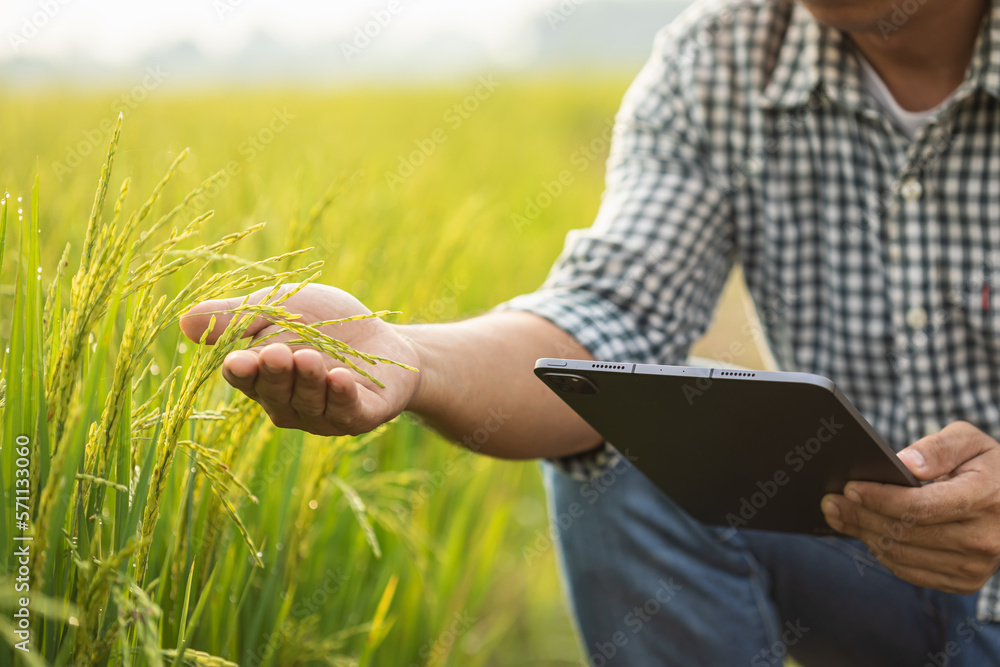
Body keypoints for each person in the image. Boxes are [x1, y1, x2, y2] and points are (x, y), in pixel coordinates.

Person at [180, 0, 1000, 663]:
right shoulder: (720, 61)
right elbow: (607, 317)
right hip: (866, 564)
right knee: (626, 436)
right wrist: (408, 356)